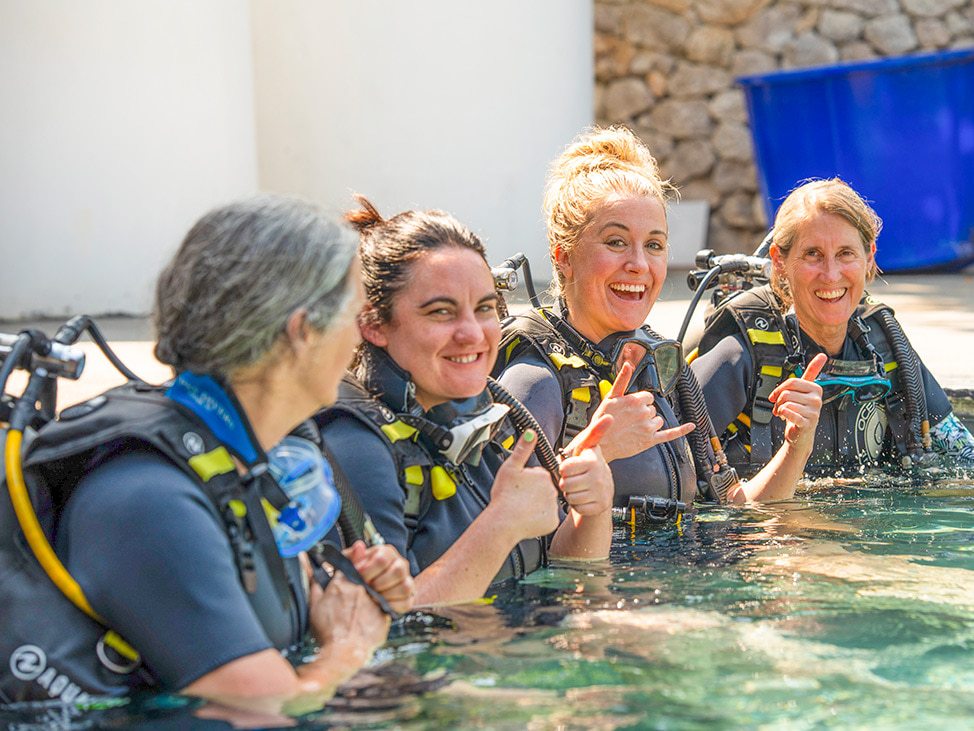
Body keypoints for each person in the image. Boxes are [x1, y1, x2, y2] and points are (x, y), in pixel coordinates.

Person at [0, 195, 413, 713]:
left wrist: (364, 599)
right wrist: (350, 647)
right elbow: (261, 712)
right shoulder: (150, 500)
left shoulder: (240, 460)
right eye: (355, 314)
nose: (358, 335)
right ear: (303, 331)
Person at [494, 126, 826, 511]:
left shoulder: (662, 370)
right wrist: (597, 450)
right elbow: (501, 526)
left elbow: (734, 505)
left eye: (654, 245)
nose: (638, 265)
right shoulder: (535, 380)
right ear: (563, 256)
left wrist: (796, 446)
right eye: (616, 242)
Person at [317, 197, 615, 606]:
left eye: (484, 308)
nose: (473, 334)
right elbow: (376, 626)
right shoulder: (356, 447)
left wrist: (593, 511)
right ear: (373, 324)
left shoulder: (490, 417)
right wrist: (500, 526)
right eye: (441, 312)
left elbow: (565, 568)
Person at [690, 178, 974, 475]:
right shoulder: (744, 351)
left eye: (845, 253)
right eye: (813, 254)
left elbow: (962, 456)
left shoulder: (886, 345)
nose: (830, 274)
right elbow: (670, 466)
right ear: (780, 261)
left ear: (869, 257)